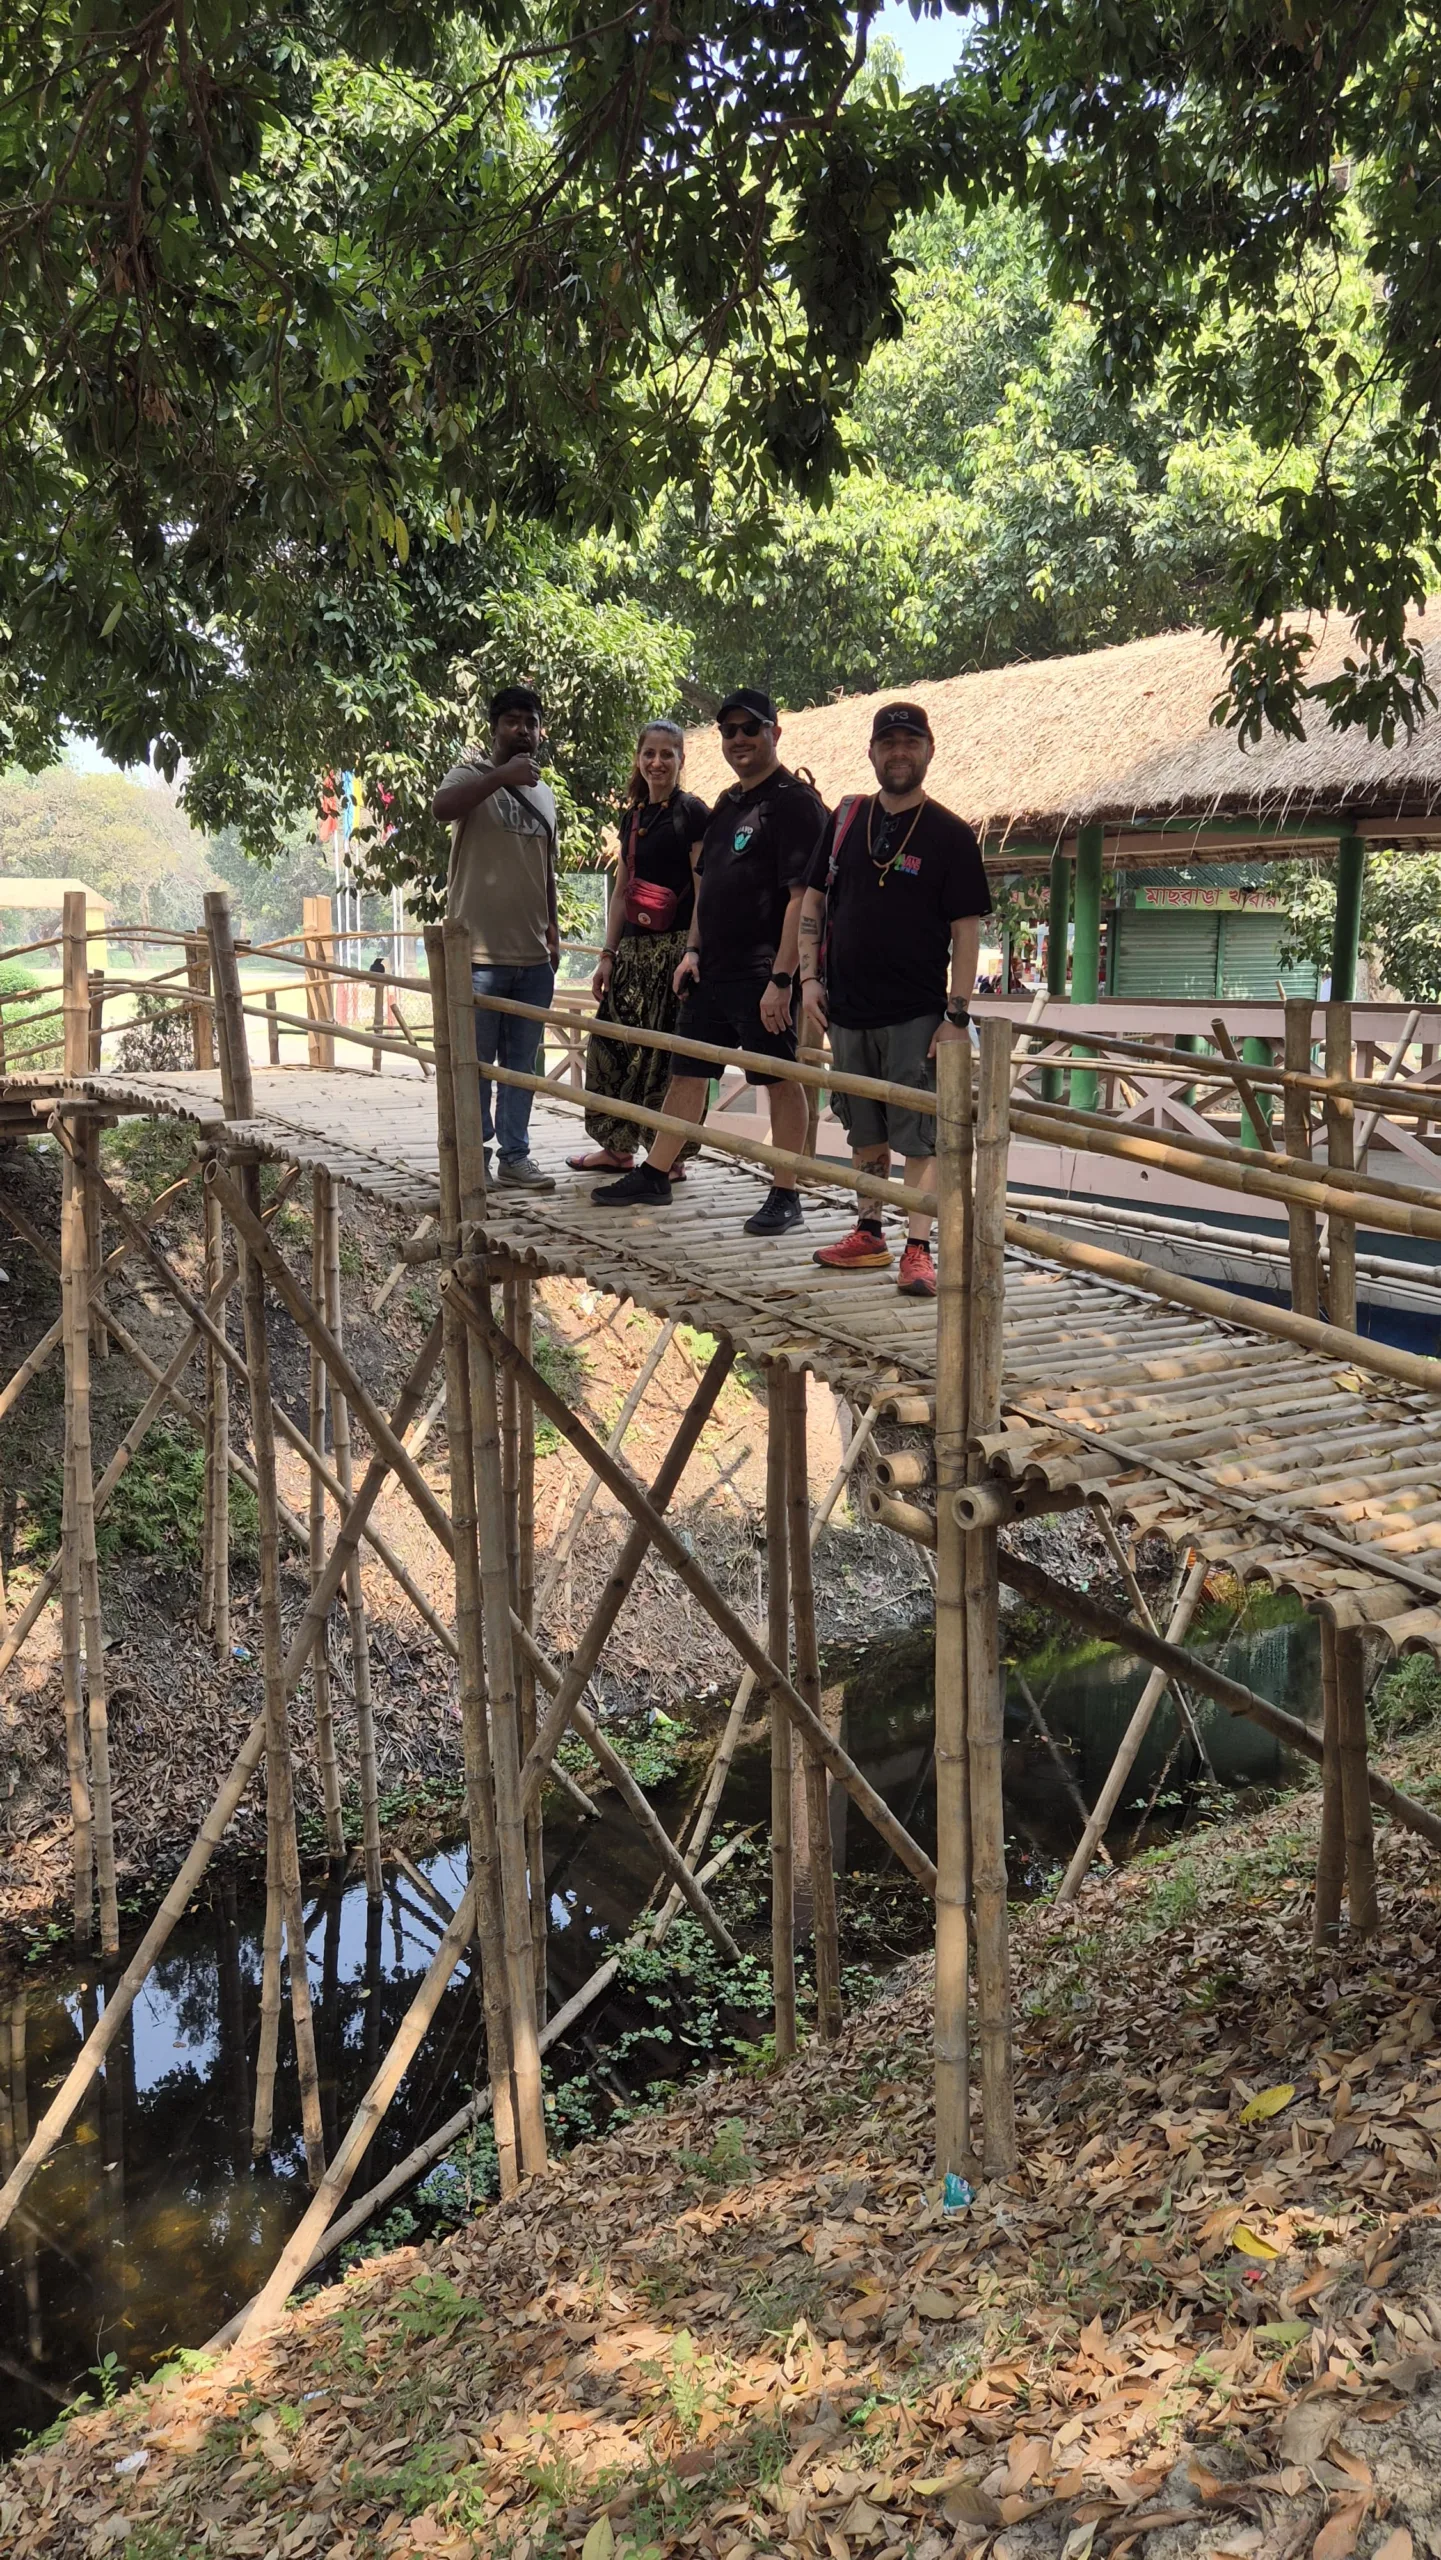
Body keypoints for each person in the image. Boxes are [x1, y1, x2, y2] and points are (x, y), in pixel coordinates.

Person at [591, 688, 826, 1237]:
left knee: (777, 1077)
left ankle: (786, 1190)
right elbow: (708, 886)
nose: (739, 739)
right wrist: (692, 951)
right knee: (687, 1071)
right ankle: (655, 1172)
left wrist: (783, 978)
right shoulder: (728, 802)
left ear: (774, 733)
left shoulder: (794, 802)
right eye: (729, 730)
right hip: (710, 967)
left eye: (750, 728)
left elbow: (803, 900)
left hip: (762, 971)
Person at [799, 701, 991, 1297]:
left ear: (929, 750)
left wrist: (957, 1014)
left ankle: (918, 1247)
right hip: (847, 1009)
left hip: (916, 1013)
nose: (899, 753)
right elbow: (813, 900)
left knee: (918, 1133)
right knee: (863, 1127)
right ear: (872, 752)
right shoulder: (846, 821)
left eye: (910, 742)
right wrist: (807, 979)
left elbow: (966, 931)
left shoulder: (951, 834)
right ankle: (868, 1230)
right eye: (888, 743)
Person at [566, 719, 710, 1176]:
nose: (657, 762)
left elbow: (703, 890)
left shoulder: (692, 812)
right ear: (638, 758)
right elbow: (621, 891)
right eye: (650, 753)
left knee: (666, 1060)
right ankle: (616, 1149)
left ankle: (668, 1159)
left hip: (675, 955)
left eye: (667, 753)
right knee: (610, 1049)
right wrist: (607, 955)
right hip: (631, 955)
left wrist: (692, 952)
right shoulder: (633, 817)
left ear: (681, 759)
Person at [433, 684, 560, 1190]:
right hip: (479, 956)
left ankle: (515, 1156)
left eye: (531, 723)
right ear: (495, 728)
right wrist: (500, 778)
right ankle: (474, 1158)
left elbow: (546, 869)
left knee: (521, 1068)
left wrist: (553, 930)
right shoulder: (469, 776)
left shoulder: (545, 794)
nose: (523, 731)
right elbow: (443, 808)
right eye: (512, 721)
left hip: (533, 957)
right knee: (475, 1065)